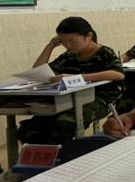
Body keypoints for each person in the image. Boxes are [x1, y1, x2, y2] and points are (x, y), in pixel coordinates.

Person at [17, 17, 125, 145]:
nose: (68, 46)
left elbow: (118, 74)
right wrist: (50, 47)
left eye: (73, 41)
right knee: (30, 128)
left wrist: (77, 77)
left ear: (89, 36)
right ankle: (45, 155)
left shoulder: (103, 52)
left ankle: (62, 154)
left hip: (99, 99)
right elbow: (38, 71)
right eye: (63, 42)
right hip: (69, 99)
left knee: (64, 124)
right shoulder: (68, 56)